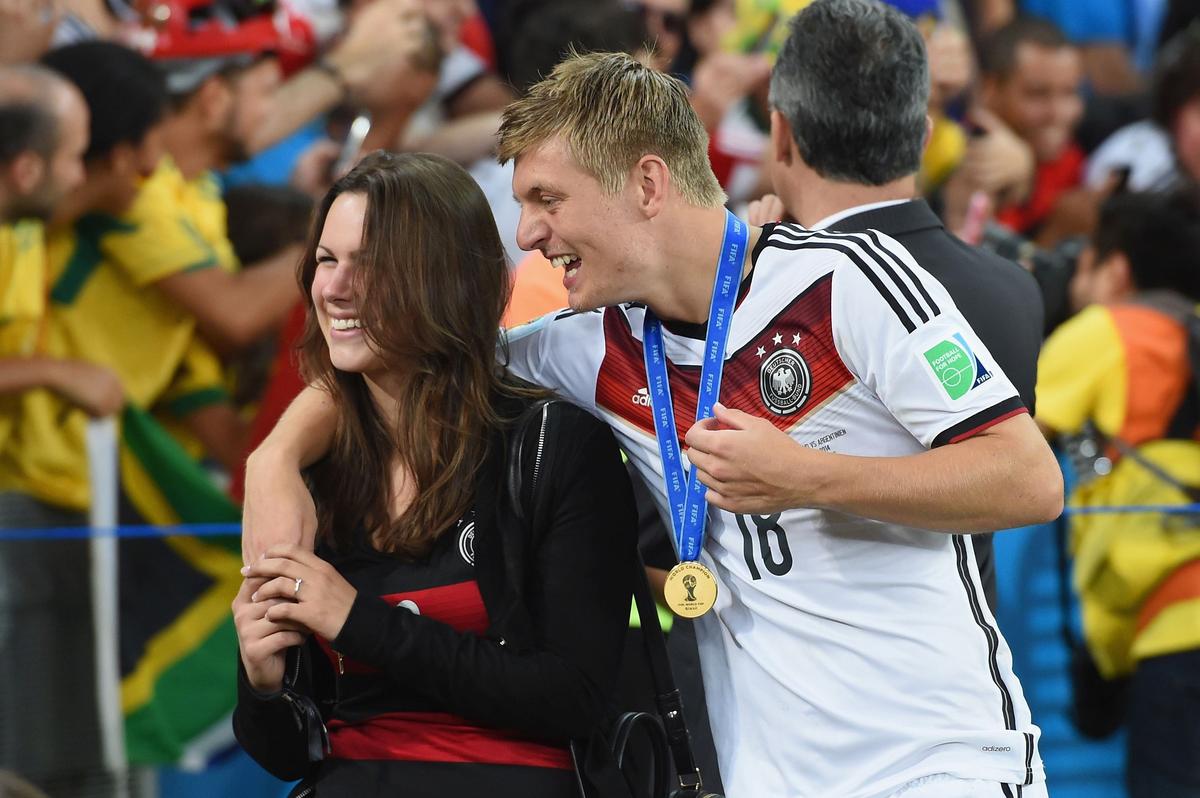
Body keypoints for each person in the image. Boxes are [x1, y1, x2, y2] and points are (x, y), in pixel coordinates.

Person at [243, 43, 1063, 798]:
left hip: (936, 760)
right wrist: (276, 459)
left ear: (646, 183)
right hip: (760, 776)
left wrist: (813, 478)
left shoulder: (844, 281)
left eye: (547, 199)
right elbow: (417, 346)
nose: (528, 235)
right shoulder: (586, 346)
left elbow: (1029, 480)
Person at [234, 151, 638, 797]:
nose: (335, 289)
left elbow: (574, 698)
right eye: (327, 261)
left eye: (371, 265)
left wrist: (359, 622)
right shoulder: (310, 473)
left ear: (447, 278)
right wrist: (261, 683)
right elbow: (286, 754)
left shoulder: (551, 445)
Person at [748, 0, 1045, 611]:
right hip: (966, 651)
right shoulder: (1012, 289)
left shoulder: (757, 285)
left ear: (781, 135)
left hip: (803, 665)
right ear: (925, 136)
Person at [1034, 187, 1200, 798]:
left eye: (1084, 264)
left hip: (1177, 630)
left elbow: (1003, 443)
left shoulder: (1111, 330)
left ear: (1118, 270)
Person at [943, 17, 1085, 240]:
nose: (1057, 113)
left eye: (1069, 92)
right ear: (990, 89)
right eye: (1037, 93)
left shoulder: (1073, 159)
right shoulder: (955, 154)